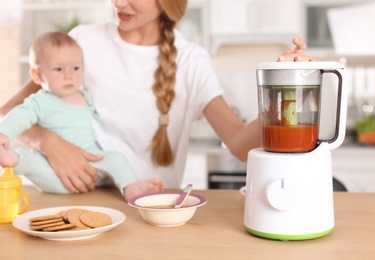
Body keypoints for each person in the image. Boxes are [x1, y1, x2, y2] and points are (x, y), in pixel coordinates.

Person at [0, 0, 313, 194]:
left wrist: (287, 88)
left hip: (154, 209)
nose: (118, 2)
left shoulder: (191, 61)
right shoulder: (83, 41)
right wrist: (46, 141)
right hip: (86, 200)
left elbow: (239, 144)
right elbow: (10, 111)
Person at [0, 31, 163, 201]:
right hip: (54, 171)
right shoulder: (40, 101)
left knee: (117, 158)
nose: (69, 75)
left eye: (75, 68)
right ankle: (13, 160)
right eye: (58, 69)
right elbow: (20, 115)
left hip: (91, 160)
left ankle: (130, 186)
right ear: (37, 75)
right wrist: (3, 133)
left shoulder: (85, 96)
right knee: (31, 161)